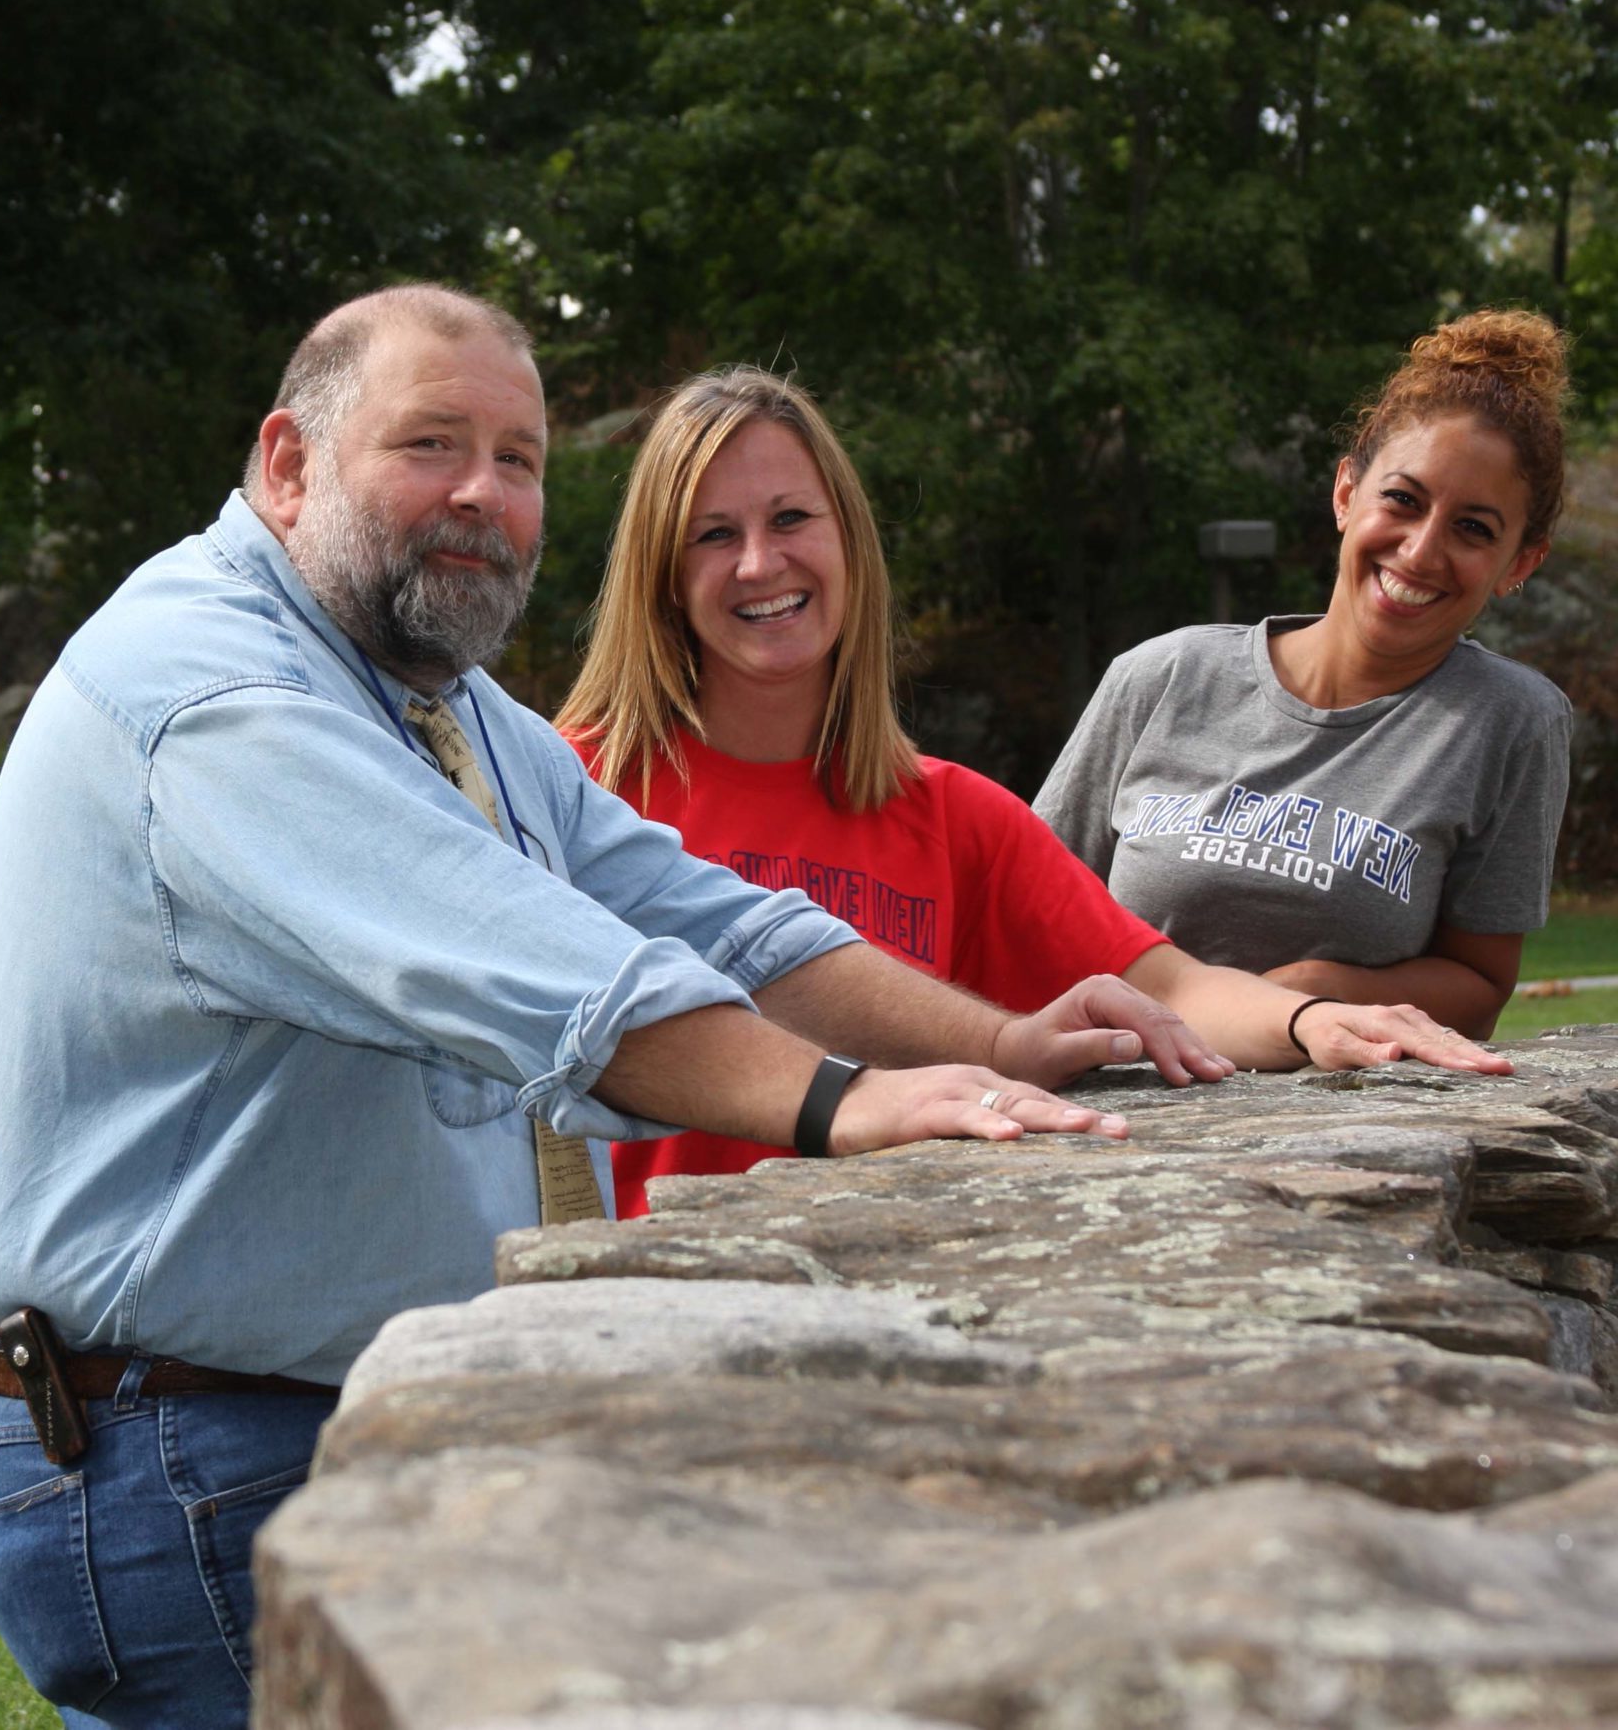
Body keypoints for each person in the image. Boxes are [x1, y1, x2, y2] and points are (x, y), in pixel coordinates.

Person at [0, 285, 1214, 1729]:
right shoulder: (218, 699)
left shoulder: (435, 702)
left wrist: (993, 1043)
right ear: (287, 465)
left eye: (519, 460)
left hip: (269, 1414)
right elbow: (560, 977)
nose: (484, 493)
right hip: (175, 1443)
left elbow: (702, 909)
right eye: (431, 444)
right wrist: (849, 1103)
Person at [554, 365, 1510, 1217]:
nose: (760, 563)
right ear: (662, 577)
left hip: (883, 1296)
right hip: (645, 1311)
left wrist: (1313, 1021)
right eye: (714, 534)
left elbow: (1173, 988)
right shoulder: (568, 786)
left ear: (849, 538)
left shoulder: (955, 816)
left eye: (791, 518)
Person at [1036, 310, 1575, 1037]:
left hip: (1333, 1129)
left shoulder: (1511, 721)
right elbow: (1027, 904)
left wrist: (1315, 992)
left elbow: (1479, 984)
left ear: (1520, 563)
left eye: (1473, 528)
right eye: (1403, 500)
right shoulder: (1162, 677)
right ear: (1347, 493)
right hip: (1113, 1103)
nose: (1419, 552)